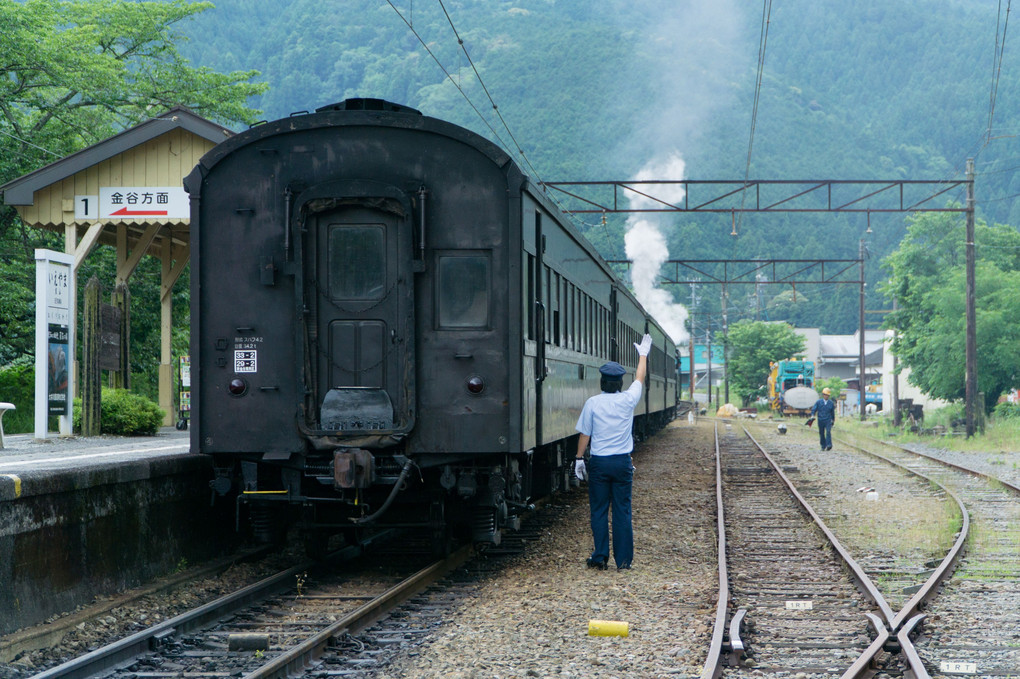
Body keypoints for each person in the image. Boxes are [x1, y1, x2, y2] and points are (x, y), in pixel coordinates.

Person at [574, 333, 652, 571]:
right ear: (619, 383)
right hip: (621, 464)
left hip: (599, 463)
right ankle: (624, 561)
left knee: (598, 510)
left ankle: (599, 557)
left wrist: (578, 459)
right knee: (622, 510)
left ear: (602, 382)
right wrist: (642, 355)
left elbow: (585, 434)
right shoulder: (628, 400)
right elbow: (639, 378)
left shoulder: (592, 403)